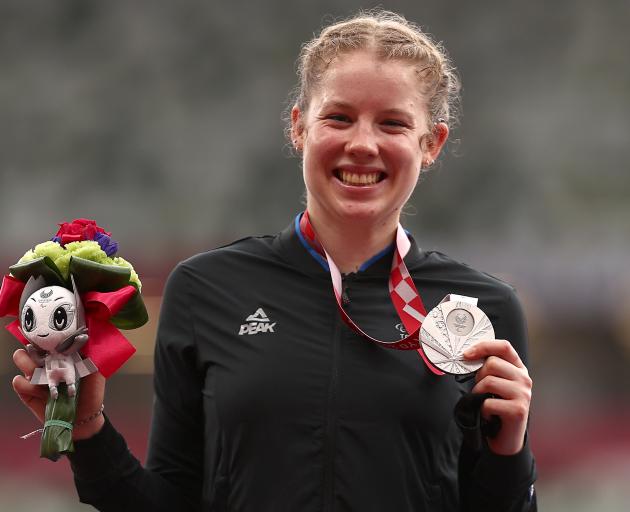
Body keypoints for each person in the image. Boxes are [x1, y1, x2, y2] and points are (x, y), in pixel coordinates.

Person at [12, 10, 536, 512]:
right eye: (339, 117)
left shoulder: (481, 311)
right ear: (299, 128)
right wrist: (87, 433)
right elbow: (170, 501)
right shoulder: (207, 288)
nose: (362, 144)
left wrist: (510, 455)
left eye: (393, 124)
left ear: (431, 143)